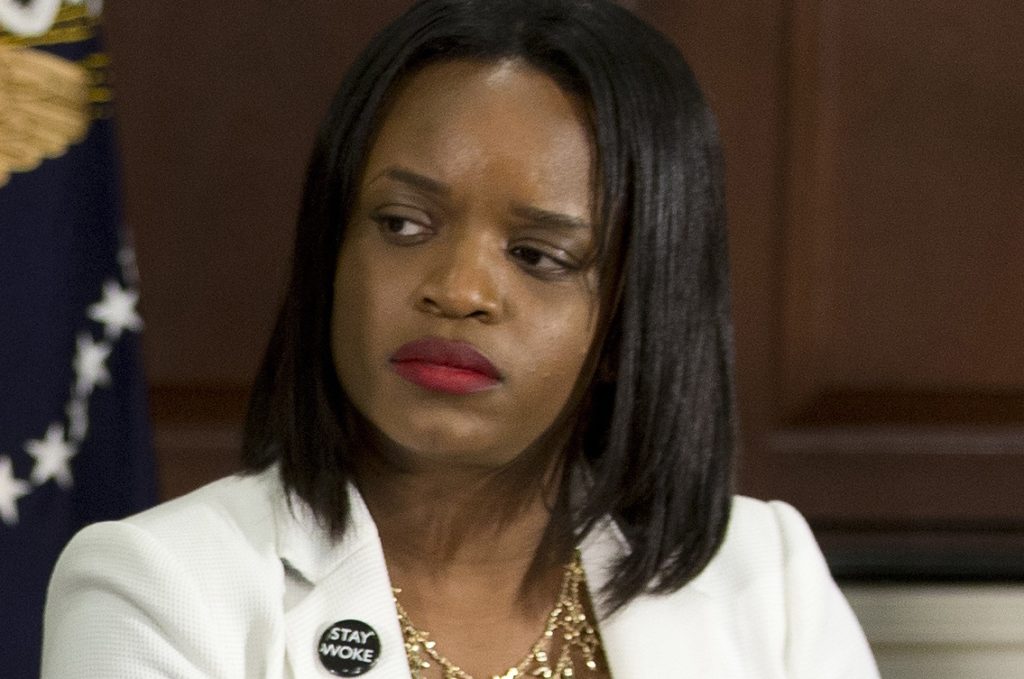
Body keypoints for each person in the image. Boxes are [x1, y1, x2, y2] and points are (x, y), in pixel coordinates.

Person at [42, 1, 879, 677]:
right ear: (332, 253)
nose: (458, 289)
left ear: (633, 319)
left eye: (538, 256)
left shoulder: (765, 579)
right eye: (403, 224)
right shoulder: (159, 586)